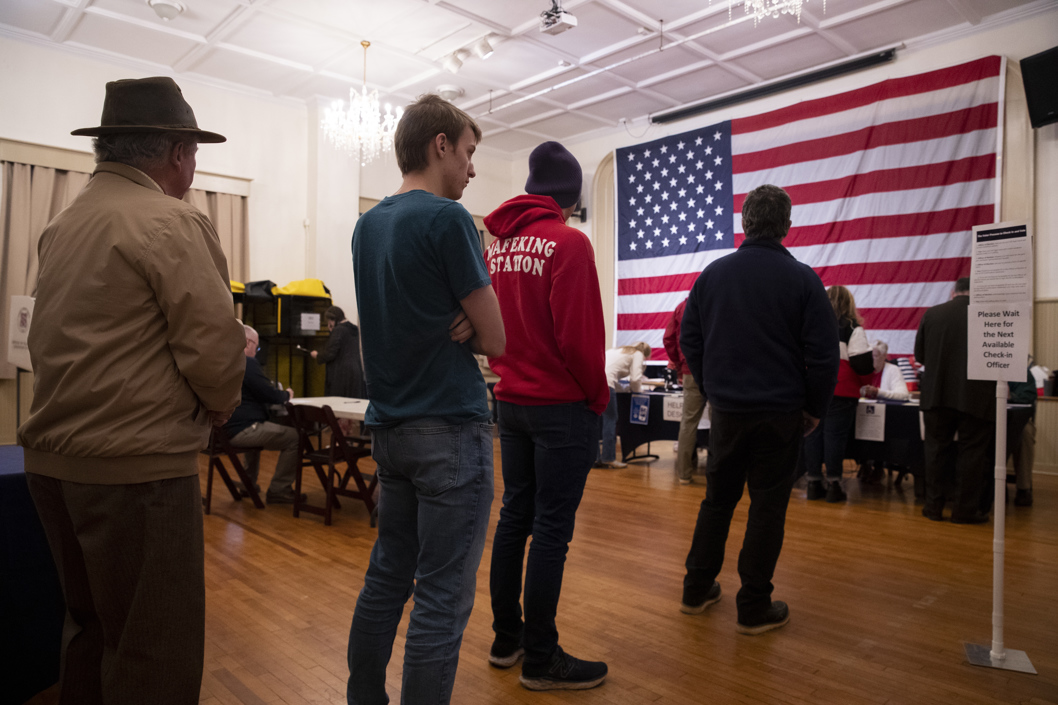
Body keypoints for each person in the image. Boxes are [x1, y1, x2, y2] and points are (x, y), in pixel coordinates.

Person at [16, 77, 245, 704]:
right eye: (193, 153)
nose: (194, 168)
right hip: (134, 471)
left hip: (54, 465)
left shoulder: (65, 222)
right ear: (176, 151)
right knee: (154, 654)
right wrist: (225, 388)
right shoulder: (171, 220)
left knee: (88, 632)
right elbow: (211, 353)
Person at [346, 93, 505, 705]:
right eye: (467, 153)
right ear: (440, 145)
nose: (471, 168)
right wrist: (469, 316)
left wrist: (460, 310)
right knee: (442, 597)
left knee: (387, 577)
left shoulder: (370, 224)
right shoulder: (446, 220)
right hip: (449, 430)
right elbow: (497, 341)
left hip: (392, 429)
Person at [679, 184, 838, 635]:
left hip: (728, 411)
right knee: (767, 508)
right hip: (782, 414)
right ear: (786, 226)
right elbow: (824, 356)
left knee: (717, 502)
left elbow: (690, 338)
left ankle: (696, 589)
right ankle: (753, 607)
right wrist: (813, 408)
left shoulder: (712, 275)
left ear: (745, 223)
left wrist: (712, 388)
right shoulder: (805, 280)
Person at [483, 141, 610, 691]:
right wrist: (598, 398)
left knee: (515, 519)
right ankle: (541, 658)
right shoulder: (569, 243)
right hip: (559, 406)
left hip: (509, 401)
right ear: (570, 196)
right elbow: (580, 340)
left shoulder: (496, 248)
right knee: (552, 532)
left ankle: (506, 639)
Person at [914, 277, 996, 524]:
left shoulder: (933, 314)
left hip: (936, 394)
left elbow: (920, 355)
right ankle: (964, 511)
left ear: (953, 292)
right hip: (976, 396)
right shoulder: (988, 316)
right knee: (972, 454)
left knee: (935, 452)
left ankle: (933, 508)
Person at [802, 285, 874, 503]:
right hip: (841, 390)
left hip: (812, 387)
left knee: (812, 434)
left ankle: (813, 483)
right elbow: (862, 365)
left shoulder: (810, 325)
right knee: (835, 437)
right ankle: (834, 485)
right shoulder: (852, 328)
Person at [225, 324, 303, 504]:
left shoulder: (226, 361)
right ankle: (279, 489)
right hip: (242, 429)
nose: (257, 352)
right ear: (247, 343)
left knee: (258, 428)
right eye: (257, 347)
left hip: (225, 430)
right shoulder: (246, 361)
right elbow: (267, 393)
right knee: (294, 437)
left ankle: (248, 484)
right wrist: (286, 394)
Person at [597, 342, 661, 468]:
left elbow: (611, 374)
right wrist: (638, 392)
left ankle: (595, 458)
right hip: (606, 384)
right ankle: (608, 458)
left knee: (597, 422)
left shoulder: (618, 351)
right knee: (610, 421)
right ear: (645, 354)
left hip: (595, 383)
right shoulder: (637, 354)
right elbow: (636, 378)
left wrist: (625, 389)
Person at [665, 299, 705, 485]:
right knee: (720, 422)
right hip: (716, 370)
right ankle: (717, 475)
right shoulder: (716, 300)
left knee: (688, 421)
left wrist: (679, 365)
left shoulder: (682, 306)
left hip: (690, 369)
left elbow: (669, 338)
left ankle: (684, 474)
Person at [310, 305, 365, 398]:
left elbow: (330, 353)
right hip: (356, 373)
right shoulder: (355, 329)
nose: (328, 325)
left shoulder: (339, 330)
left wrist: (318, 355)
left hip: (341, 375)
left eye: (329, 322)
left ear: (333, 320)